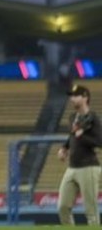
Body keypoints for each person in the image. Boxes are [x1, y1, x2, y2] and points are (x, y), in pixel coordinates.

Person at [57, 84, 101, 225]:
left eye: (75, 96)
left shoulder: (93, 119)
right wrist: (64, 148)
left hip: (88, 167)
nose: (72, 99)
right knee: (63, 207)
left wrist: (82, 136)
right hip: (72, 167)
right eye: (71, 96)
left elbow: (100, 141)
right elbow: (72, 136)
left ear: (85, 98)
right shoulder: (73, 118)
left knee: (91, 211)